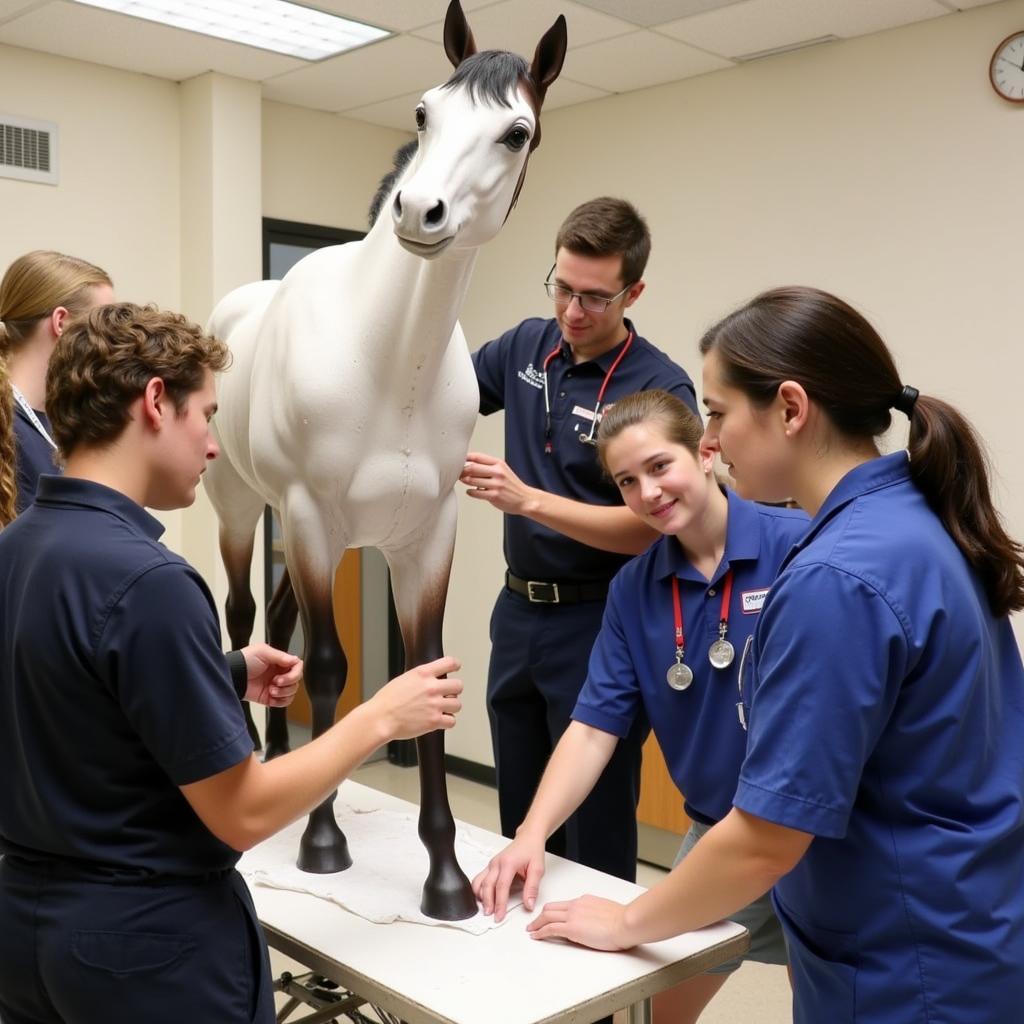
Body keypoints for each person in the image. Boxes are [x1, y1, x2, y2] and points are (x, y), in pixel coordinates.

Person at [526, 287, 1024, 1024]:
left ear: (790, 409)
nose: (714, 440)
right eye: (627, 481)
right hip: (968, 922)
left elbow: (764, 841)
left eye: (719, 415)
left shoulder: (832, 576)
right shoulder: (915, 520)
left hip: (907, 961)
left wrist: (627, 922)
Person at [0, 303, 464, 1024]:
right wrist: (380, 718)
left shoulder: (19, 548)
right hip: (144, 953)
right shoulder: (149, 581)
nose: (214, 447)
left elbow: (66, 690)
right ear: (156, 401)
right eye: (206, 416)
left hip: (28, 936)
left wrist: (217, 671)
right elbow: (243, 813)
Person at [473, 389, 807, 1022]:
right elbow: (593, 728)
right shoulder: (635, 589)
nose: (648, 493)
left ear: (707, 453)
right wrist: (531, 833)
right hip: (720, 834)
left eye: (660, 466)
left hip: (819, 839)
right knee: (656, 1013)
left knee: (819, 1003)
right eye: (627, 481)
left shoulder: (799, 548)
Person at [461, 197, 700, 884]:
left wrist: (528, 500)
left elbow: (654, 525)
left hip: (602, 619)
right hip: (517, 614)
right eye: (563, 288)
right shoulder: (524, 347)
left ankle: (600, 985)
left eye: (595, 298)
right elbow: (441, 396)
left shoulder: (655, 386)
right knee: (521, 817)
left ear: (634, 292)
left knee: (591, 829)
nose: (573, 311)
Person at [0, 249, 115, 515]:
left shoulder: (67, 424)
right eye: (103, 326)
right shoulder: (9, 424)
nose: (114, 344)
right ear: (61, 322)